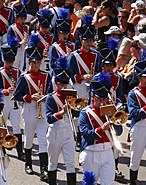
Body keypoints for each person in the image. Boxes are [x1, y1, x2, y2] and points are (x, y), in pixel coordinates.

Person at [13, 33, 52, 181]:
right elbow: (17, 96)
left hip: (42, 108)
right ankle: (28, 163)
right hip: (29, 108)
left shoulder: (46, 76)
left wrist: (44, 97)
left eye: (38, 62)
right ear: (29, 62)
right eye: (34, 63)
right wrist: (29, 97)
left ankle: (44, 169)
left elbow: (49, 92)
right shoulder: (24, 77)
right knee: (29, 137)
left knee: (43, 139)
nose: (36, 65)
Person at [79, 72, 122, 185]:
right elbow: (85, 134)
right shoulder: (85, 112)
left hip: (108, 152)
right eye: (99, 99)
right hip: (91, 151)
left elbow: (119, 132)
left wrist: (115, 122)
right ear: (92, 97)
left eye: (104, 99)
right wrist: (101, 129)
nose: (102, 102)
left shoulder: (111, 111)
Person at [45, 56, 77, 185]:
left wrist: (75, 107)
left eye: (64, 84)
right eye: (60, 84)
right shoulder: (51, 98)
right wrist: (61, 112)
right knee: (53, 163)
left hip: (68, 130)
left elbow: (76, 112)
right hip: (55, 132)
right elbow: (49, 118)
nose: (62, 86)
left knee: (70, 163)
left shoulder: (71, 95)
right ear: (56, 83)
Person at [0, 44, 24, 160]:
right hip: (3, 101)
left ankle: (20, 152)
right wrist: (6, 91)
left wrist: (16, 90)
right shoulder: (0, 72)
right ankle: (2, 150)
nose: (9, 64)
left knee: (16, 126)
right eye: (7, 62)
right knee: (2, 126)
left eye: (11, 62)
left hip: (14, 101)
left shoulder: (17, 71)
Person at [127, 49, 146, 185]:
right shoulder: (133, 94)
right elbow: (134, 113)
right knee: (135, 158)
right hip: (139, 127)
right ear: (139, 78)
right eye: (145, 76)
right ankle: (133, 182)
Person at [68, 15, 101, 98]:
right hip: (79, 89)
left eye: (90, 40)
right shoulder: (74, 56)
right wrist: (82, 77)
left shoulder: (96, 55)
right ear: (80, 39)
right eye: (86, 40)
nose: (89, 43)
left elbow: (100, 72)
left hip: (92, 88)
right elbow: (69, 75)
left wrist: (94, 76)